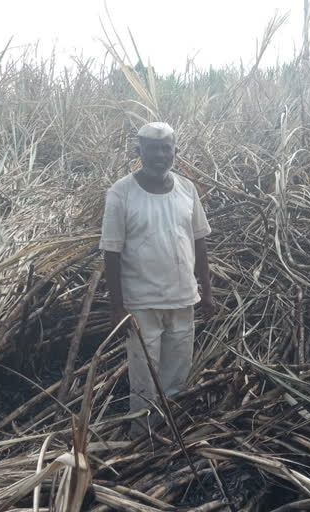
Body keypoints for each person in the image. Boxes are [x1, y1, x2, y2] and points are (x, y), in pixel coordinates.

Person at [99, 121, 217, 438]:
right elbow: (111, 253)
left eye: (167, 148)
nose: (160, 155)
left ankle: (170, 436)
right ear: (139, 152)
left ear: (175, 151)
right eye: (152, 149)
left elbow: (199, 242)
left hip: (183, 299)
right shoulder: (121, 193)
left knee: (177, 377)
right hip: (140, 306)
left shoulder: (186, 190)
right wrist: (116, 308)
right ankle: (143, 439)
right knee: (143, 381)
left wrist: (206, 292)